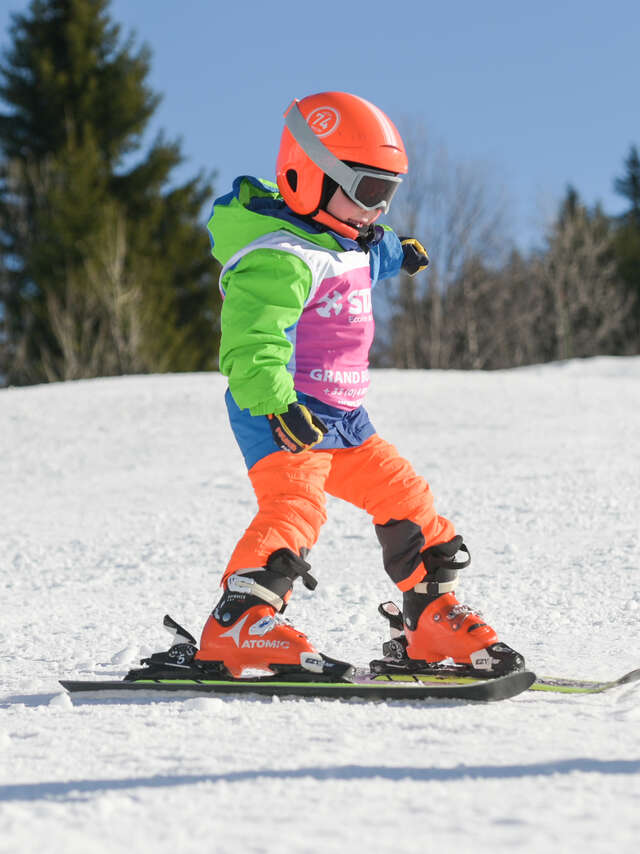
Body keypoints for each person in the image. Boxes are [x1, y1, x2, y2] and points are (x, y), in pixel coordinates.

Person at [196, 91, 523, 678]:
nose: (377, 209)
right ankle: (240, 622)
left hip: (344, 420)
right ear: (308, 177)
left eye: (388, 194)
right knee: (295, 506)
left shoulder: (346, 237)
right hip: (284, 413)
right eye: (369, 191)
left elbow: (372, 251)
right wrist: (277, 403)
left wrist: (403, 252)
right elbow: (252, 342)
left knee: (407, 499)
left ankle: (428, 619)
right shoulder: (280, 255)